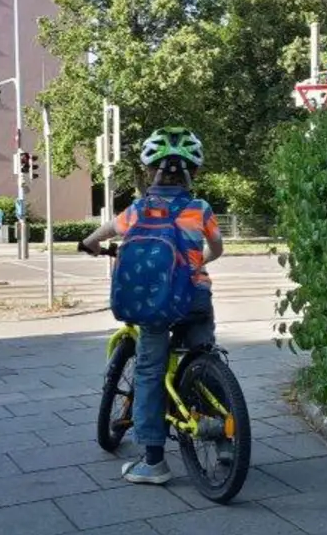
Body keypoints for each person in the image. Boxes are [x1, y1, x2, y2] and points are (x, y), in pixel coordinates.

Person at [79, 126, 225, 485]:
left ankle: (154, 462)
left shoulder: (137, 209)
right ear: (193, 172)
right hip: (194, 298)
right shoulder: (200, 208)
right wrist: (197, 263)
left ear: (149, 171)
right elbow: (217, 248)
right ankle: (225, 439)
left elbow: (100, 235)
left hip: (155, 302)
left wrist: (90, 245)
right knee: (206, 358)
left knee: (148, 371)